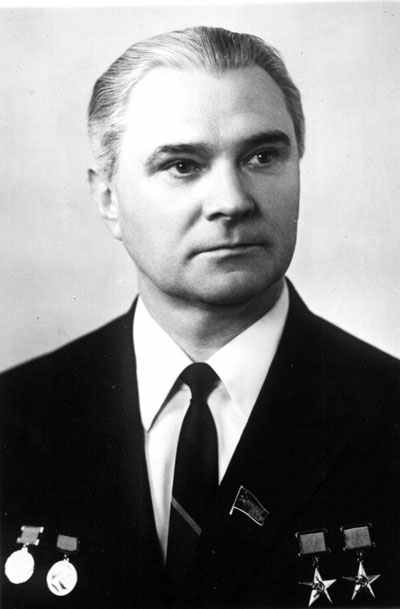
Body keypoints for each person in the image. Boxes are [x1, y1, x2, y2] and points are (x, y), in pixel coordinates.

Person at [1, 25, 400, 609]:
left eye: (263, 156)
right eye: (183, 165)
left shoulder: (387, 411)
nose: (232, 201)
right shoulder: (15, 417)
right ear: (108, 198)